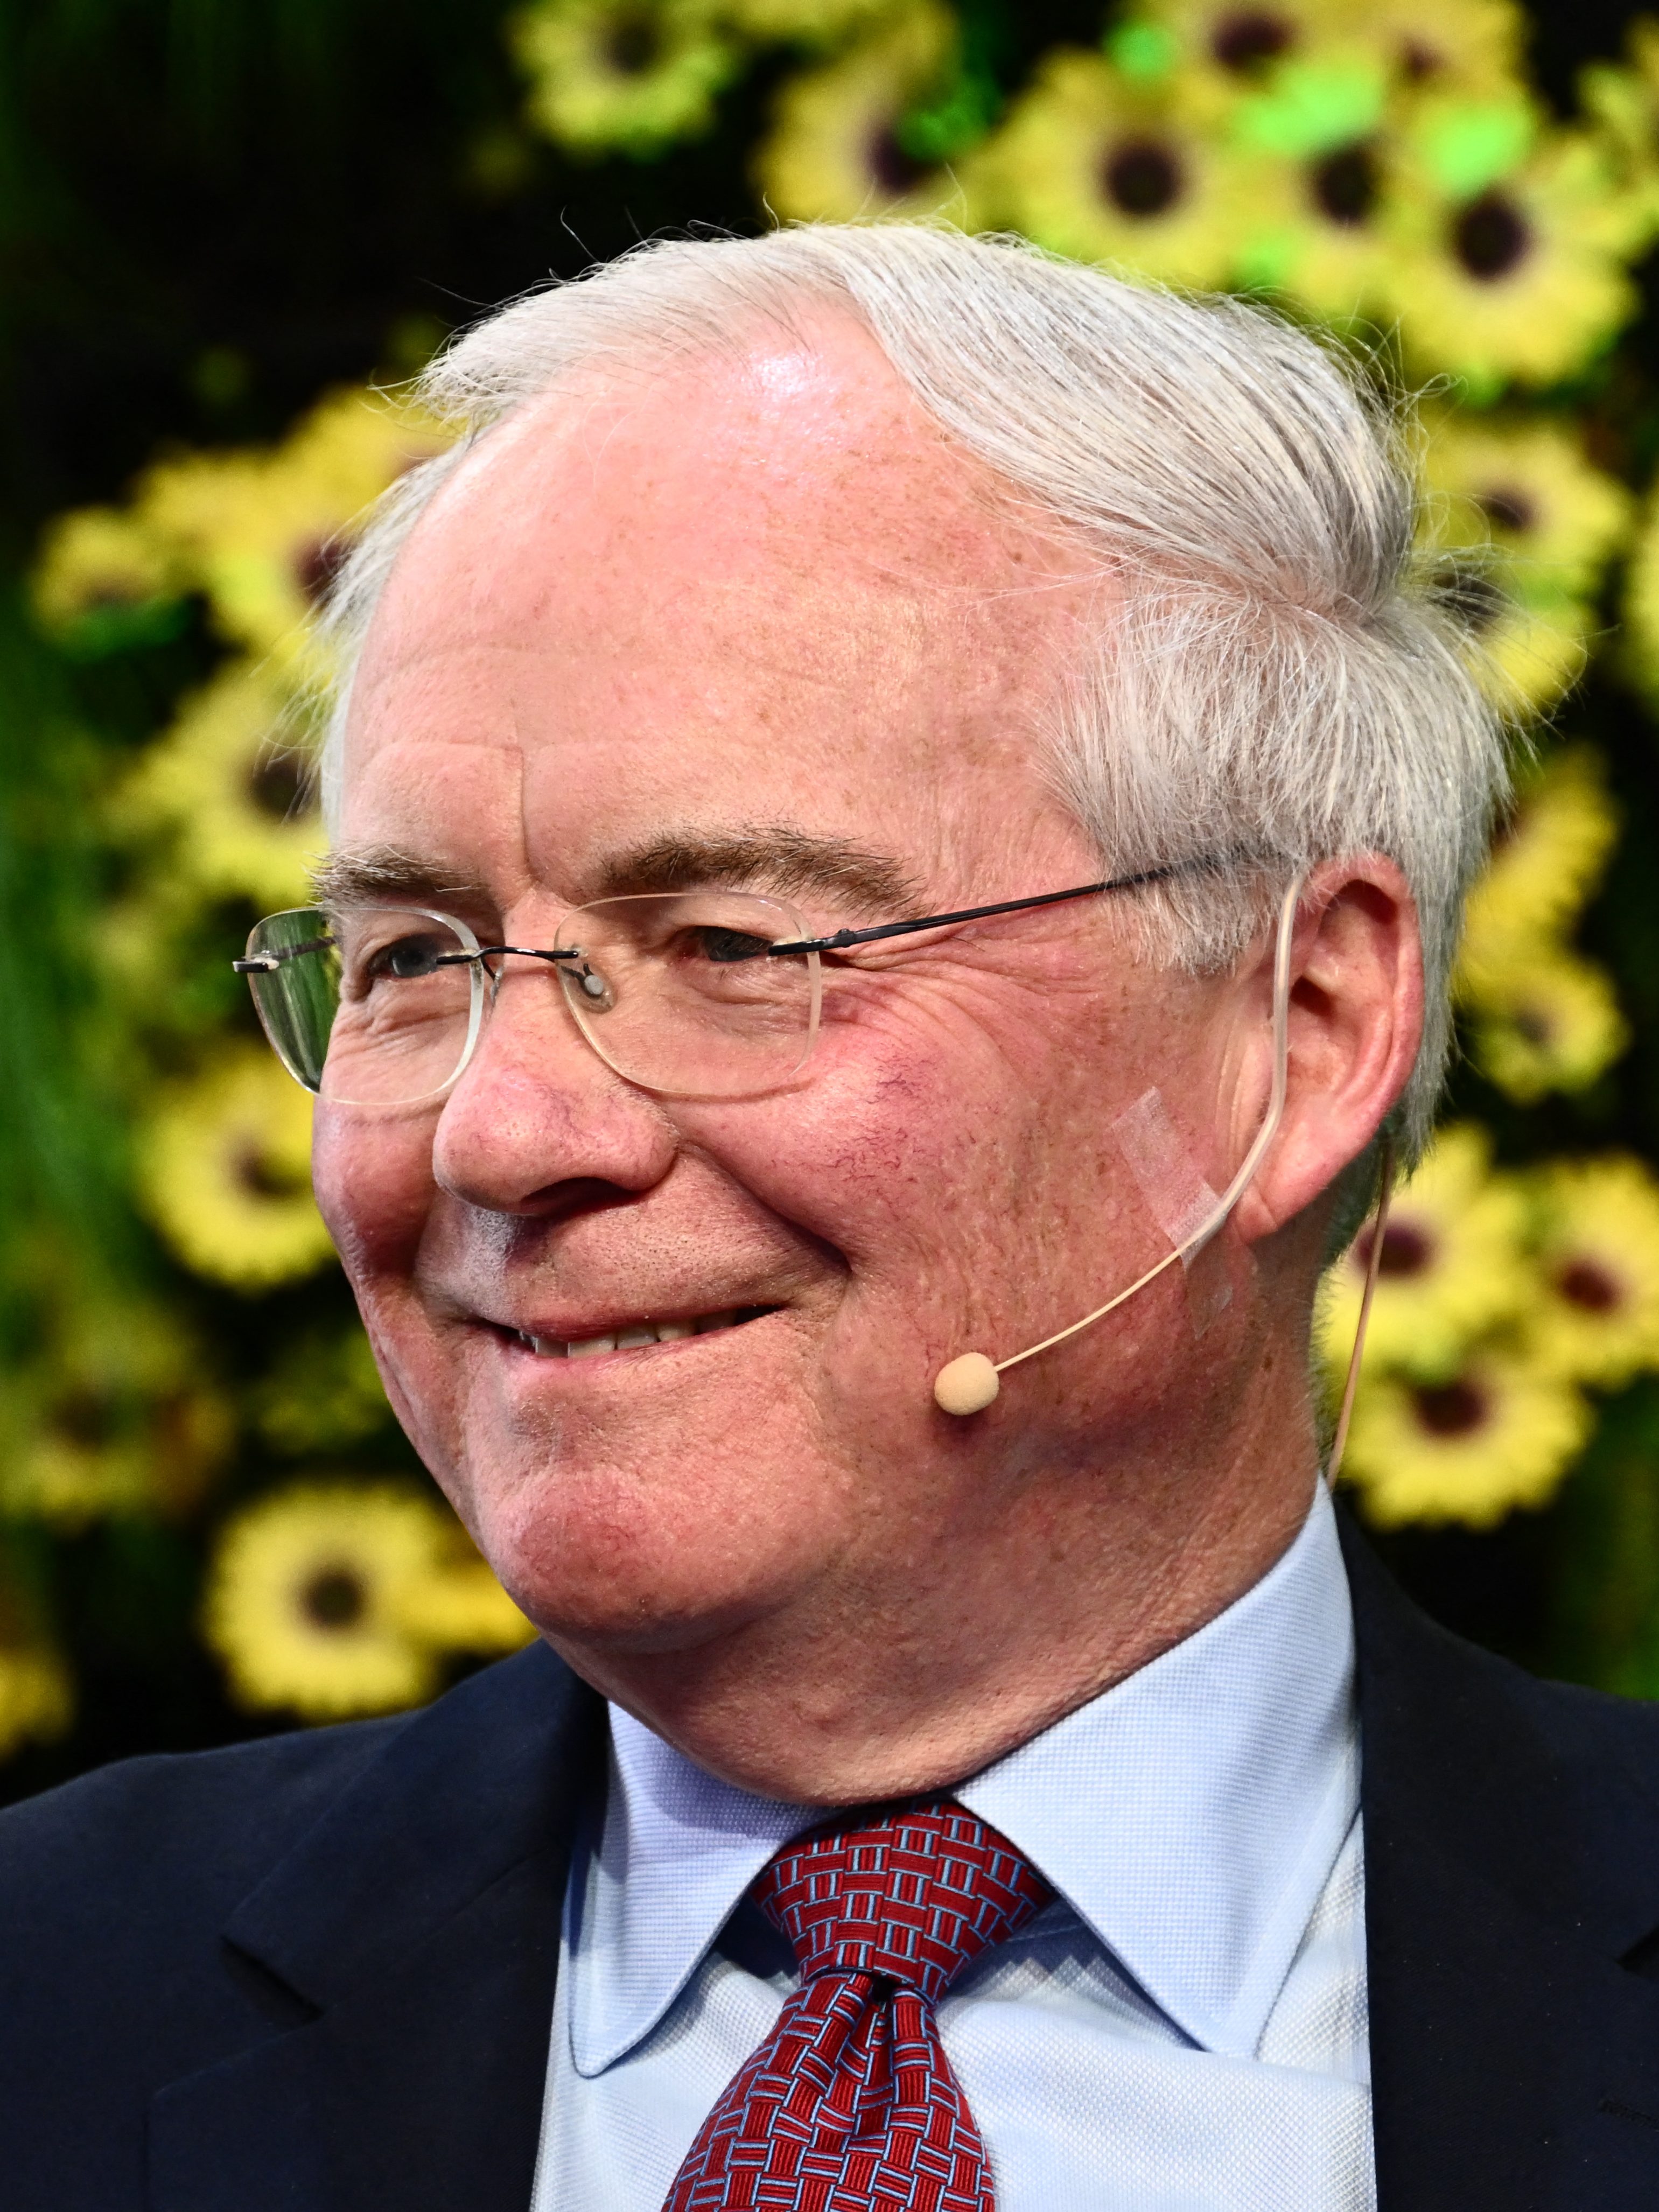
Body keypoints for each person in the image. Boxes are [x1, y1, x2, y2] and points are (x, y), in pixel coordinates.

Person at [6, 225, 1659, 2212]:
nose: (499, 1130)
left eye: (729, 942)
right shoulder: (50, 2003)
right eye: (415, 957)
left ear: (1294, 1033)